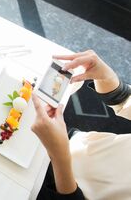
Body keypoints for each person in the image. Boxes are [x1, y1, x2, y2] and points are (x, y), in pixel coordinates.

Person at [31, 50, 130, 199]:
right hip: (72, 142)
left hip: (57, 189)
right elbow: (124, 100)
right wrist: (108, 78)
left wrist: (59, 156)